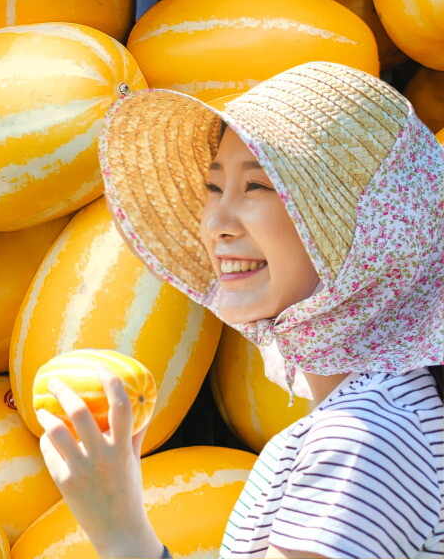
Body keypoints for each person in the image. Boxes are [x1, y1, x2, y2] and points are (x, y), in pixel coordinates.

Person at [34, 61, 444, 559]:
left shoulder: (364, 442)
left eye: (255, 187)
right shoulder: (378, 417)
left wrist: (119, 528)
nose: (215, 224)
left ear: (364, 230)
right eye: (213, 188)